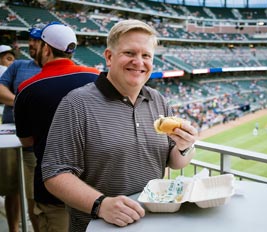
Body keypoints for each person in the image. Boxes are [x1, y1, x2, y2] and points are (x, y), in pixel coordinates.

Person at [41, 19, 198, 232]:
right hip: (97, 226)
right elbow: (54, 174)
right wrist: (101, 204)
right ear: (109, 57)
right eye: (129, 53)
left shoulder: (159, 100)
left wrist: (185, 146)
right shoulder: (76, 103)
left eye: (146, 55)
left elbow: (175, 161)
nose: (139, 62)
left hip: (155, 222)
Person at [14, 22, 100, 232]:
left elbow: (27, 141)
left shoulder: (27, 88)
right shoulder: (98, 78)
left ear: (46, 48)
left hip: (53, 192)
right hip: (98, 189)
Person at [0, 24, 44, 232]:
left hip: (35, 141)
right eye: (31, 39)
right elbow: (0, 91)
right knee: (12, 188)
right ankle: (13, 229)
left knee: (33, 193)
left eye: (37, 40)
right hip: (11, 134)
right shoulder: (18, 66)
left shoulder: (50, 69)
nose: (32, 44)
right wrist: (22, 102)